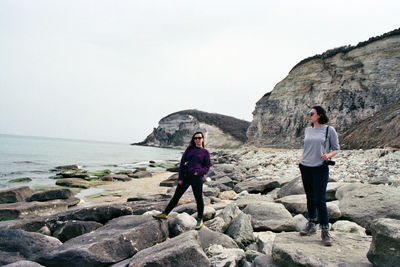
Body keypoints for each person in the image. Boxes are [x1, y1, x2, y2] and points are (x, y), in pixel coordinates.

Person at [298, 106, 339, 246]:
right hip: (305, 167)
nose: (309, 115)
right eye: (308, 113)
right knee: (310, 196)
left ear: (319, 115)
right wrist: (301, 159)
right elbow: (306, 146)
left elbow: (336, 149)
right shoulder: (308, 130)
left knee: (320, 199)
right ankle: (311, 224)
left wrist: (327, 155)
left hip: (320, 167)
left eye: (311, 113)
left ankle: (325, 231)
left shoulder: (329, 130)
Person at [153, 131, 211, 230]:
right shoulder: (189, 149)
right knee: (176, 196)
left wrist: (199, 172)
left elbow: (207, 167)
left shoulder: (205, 152)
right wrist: (180, 178)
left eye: (199, 138)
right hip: (186, 177)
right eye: (195, 138)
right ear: (193, 140)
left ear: (203, 139)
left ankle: (200, 219)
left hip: (197, 178)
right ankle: (165, 213)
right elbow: (181, 164)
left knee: (198, 198)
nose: (197, 140)